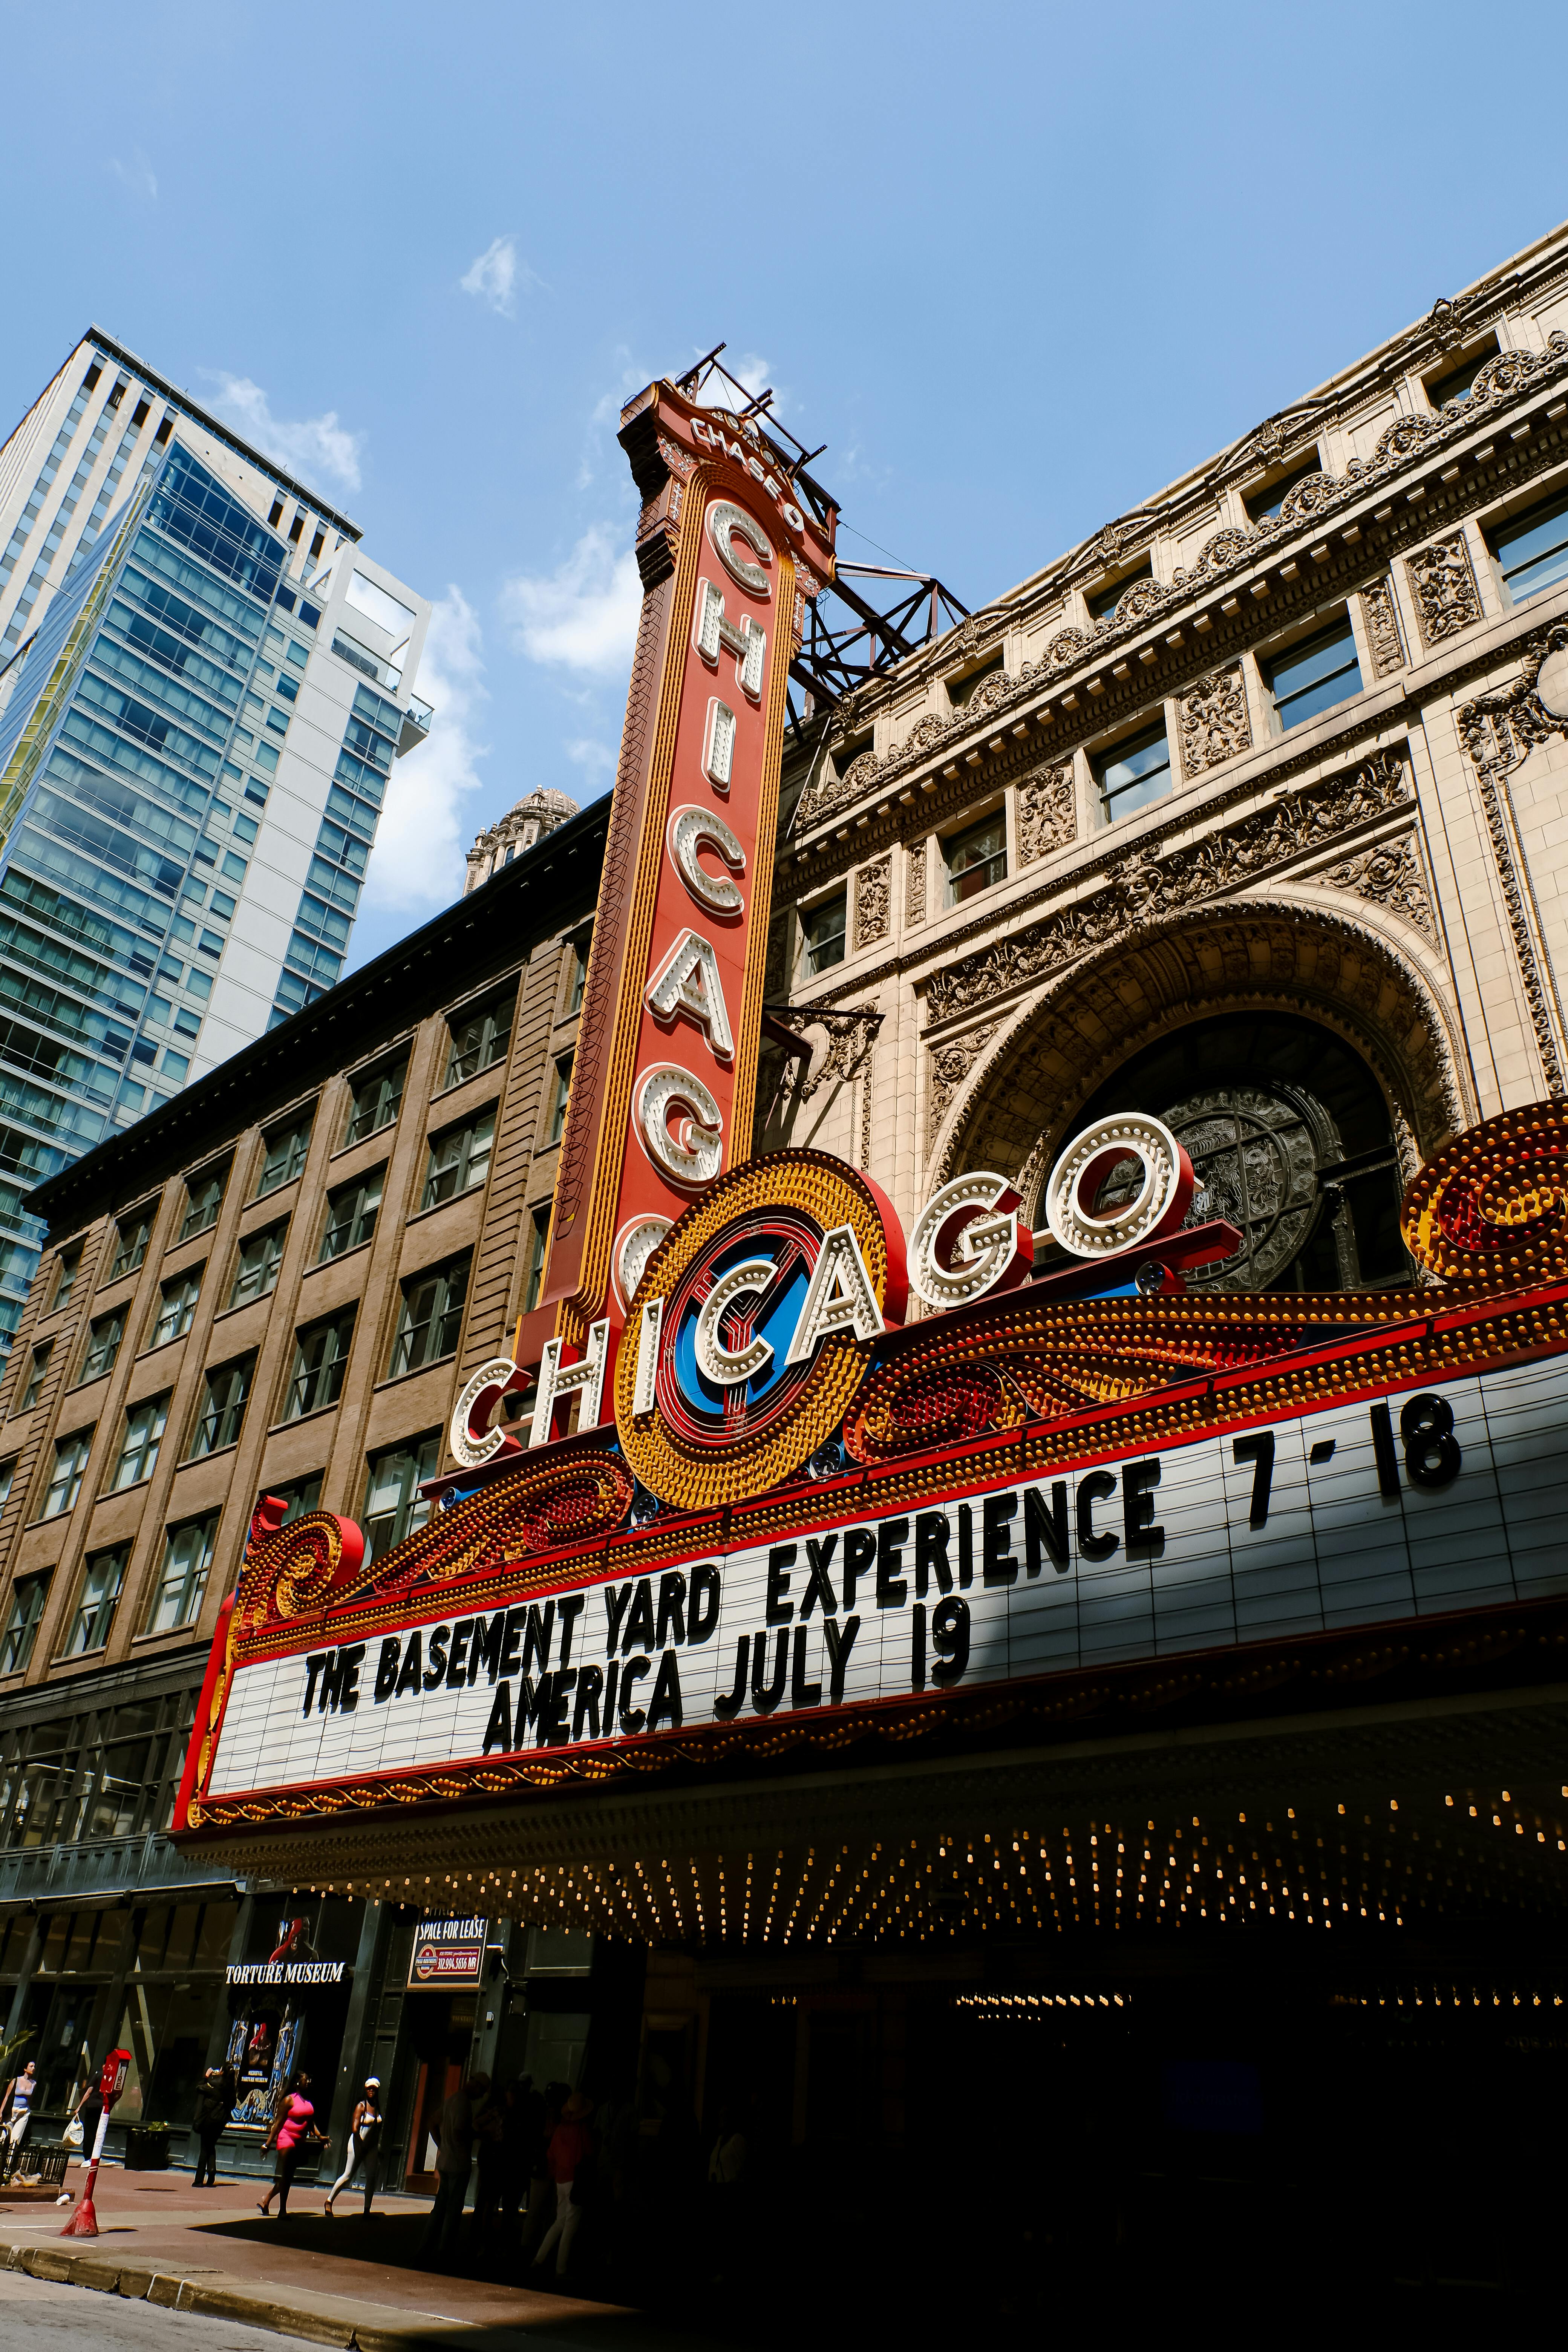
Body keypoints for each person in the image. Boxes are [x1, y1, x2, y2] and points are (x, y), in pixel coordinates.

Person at [421, 2071, 488, 2263]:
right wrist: (478, 2134)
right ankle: (445, 2253)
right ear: (476, 2087)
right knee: (452, 2211)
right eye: (482, 2092)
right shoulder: (464, 2104)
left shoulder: (452, 2100)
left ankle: (425, 2250)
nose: (481, 2097)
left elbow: (432, 2122)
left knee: (440, 2208)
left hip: (446, 2161)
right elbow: (461, 2132)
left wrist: (442, 2145)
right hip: (459, 2163)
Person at [530, 2088, 594, 2282]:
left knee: (560, 2222)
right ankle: (561, 2269)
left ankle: (539, 2260)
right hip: (576, 2180)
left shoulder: (560, 2129)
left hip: (560, 2180)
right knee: (570, 2225)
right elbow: (590, 2153)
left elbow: (551, 2155)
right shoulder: (582, 2130)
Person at [257, 2070, 325, 2218]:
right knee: (287, 2175)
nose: (308, 2082)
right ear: (297, 2083)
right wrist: (267, 2144)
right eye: (305, 2080)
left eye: (309, 2080)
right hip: (286, 2138)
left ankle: (267, 2199)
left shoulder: (308, 2103)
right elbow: (278, 2124)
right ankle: (282, 2211)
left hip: (300, 2141)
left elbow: (310, 2123)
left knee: (288, 2176)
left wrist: (320, 2137)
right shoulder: (289, 2100)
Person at [325, 2076, 384, 2217]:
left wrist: (376, 2147)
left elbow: (377, 2128)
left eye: (374, 2089)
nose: (372, 2091)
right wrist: (362, 2145)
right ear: (366, 2089)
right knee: (348, 2175)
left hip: (371, 2147)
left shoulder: (377, 2107)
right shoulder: (361, 2106)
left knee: (371, 2177)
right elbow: (355, 2129)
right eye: (369, 2088)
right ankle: (329, 2201)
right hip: (357, 2143)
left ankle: (367, 2210)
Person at [191, 2064, 233, 2187]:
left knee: (205, 2148)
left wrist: (206, 2076)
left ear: (223, 2072)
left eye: (220, 2070)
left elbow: (199, 2088)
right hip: (221, 2121)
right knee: (211, 2145)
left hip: (209, 2120)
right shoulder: (231, 2087)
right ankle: (212, 2170)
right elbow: (233, 2103)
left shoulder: (215, 2083)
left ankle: (199, 2180)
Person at [1, 2059, 38, 2162]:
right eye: (31, 2066)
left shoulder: (34, 2084)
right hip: (12, 2112)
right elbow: (7, 2097)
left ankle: (8, 2166)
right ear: (25, 2069)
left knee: (15, 2140)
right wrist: (1, 2112)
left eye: (34, 2066)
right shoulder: (16, 2081)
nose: (33, 2068)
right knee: (5, 2137)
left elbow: (31, 2099)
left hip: (24, 2113)